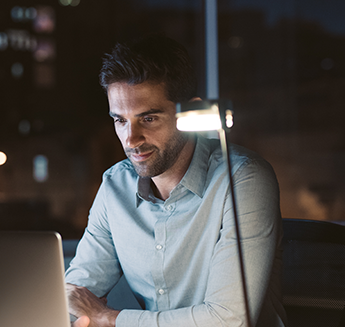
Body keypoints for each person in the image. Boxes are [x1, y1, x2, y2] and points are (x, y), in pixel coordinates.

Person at [66, 34, 287, 327]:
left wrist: (109, 318)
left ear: (189, 112)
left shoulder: (243, 180)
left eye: (148, 119)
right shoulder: (115, 186)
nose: (131, 139)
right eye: (120, 120)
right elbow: (75, 294)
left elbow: (229, 320)